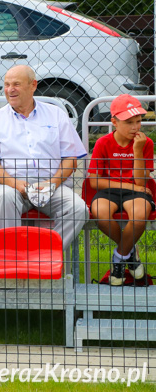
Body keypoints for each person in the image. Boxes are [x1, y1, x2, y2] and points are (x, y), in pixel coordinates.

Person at [0, 65, 88, 250]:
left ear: (33, 85)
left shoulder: (56, 115)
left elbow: (71, 159)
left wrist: (51, 183)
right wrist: (17, 185)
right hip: (10, 185)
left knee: (79, 209)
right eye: (6, 85)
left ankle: (46, 255)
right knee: (4, 197)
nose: (10, 89)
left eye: (16, 84)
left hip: (53, 185)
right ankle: (13, 260)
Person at [86, 94, 153, 284]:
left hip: (136, 192)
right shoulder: (103, 143)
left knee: (140, 216)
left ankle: (119, 258)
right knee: (101, 212)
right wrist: (128, 185)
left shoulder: (145, 143)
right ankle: (130, 253)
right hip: (109, 190)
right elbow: (95, 182)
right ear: (114, 122)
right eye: (129, 122)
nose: (135, 127)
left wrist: (138, 151)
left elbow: (141, 182)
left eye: (139, 121)